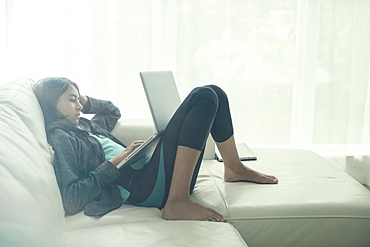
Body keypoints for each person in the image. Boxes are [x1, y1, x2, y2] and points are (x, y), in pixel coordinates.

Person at [33, 77, 278, 222]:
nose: (78, 104)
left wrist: (84, 100)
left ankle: (233, 168)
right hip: (144, 188)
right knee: (203, 96)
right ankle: (177, 201)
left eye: (78, 99)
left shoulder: (86, 124)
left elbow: (112, 111)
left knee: (216, 93)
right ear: (50, 103)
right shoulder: (61, 136)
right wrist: (116, 161)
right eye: (71, 99)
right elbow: (71, 199)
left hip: (153, 175)